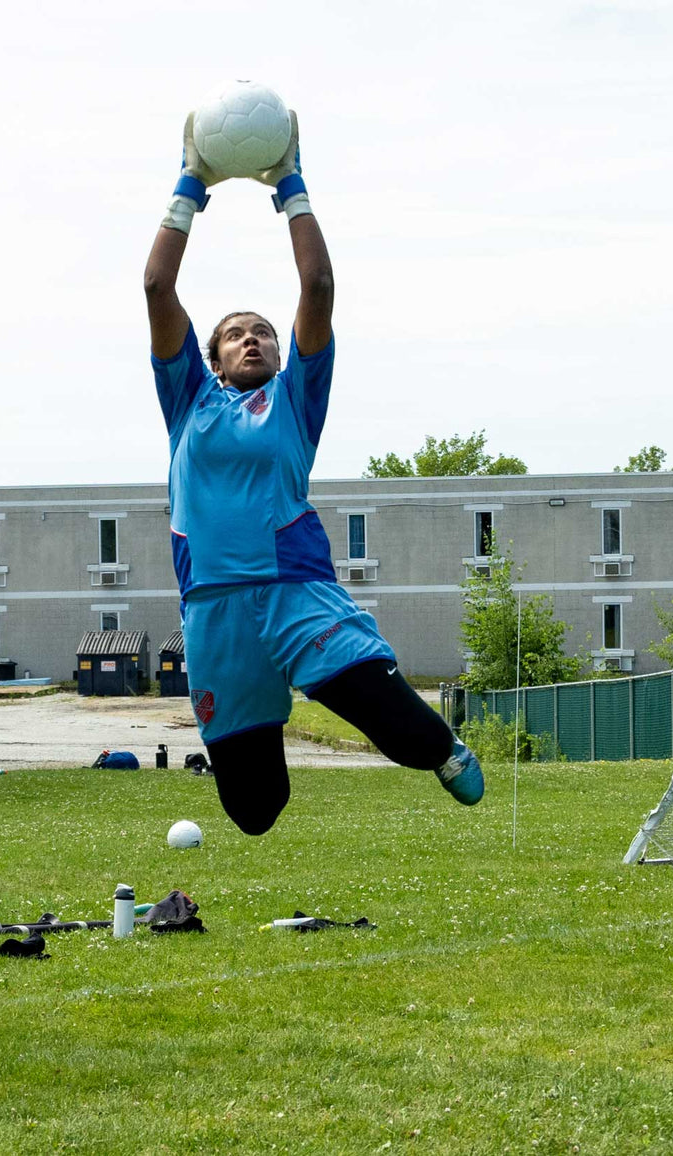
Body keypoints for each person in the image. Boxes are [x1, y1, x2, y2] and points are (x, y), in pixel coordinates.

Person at [143, 107, 484, 836]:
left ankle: (441, 743)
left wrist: (288, 183)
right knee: (254, 810)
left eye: (262, 331)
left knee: (414, 742)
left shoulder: (294, 400)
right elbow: (155, 289)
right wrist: (191, 183)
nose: (252, 340)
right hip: (215, 611)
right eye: (235, 335)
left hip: (296, 594)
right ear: (212, 358)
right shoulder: (188, 403)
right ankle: (269, 701)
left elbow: (318, 284)